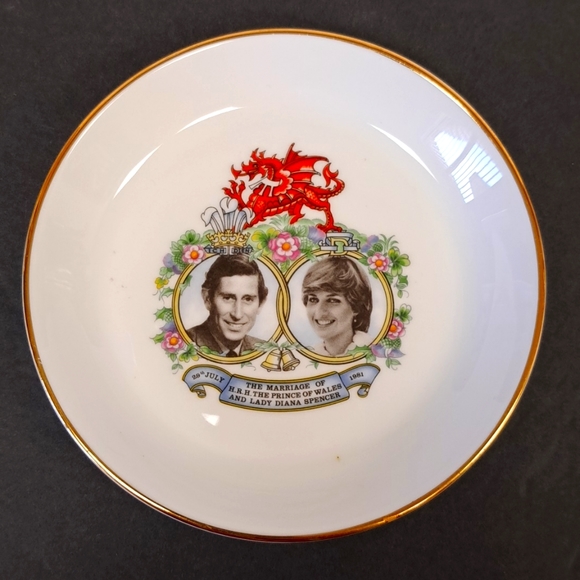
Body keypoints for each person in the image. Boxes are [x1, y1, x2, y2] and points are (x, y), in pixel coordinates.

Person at [186, 254, 268, 356]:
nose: (237, 315)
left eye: (248, 299)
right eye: (228, 298)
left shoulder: (266, 351)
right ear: (208, 299)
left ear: (260, 304)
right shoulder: (184, 344)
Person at [301, 256, 372, 357]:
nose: (319, 312)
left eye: (332, 300)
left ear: (356, 307)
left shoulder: (373, 351)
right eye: (313, 300)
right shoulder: (309, 356)